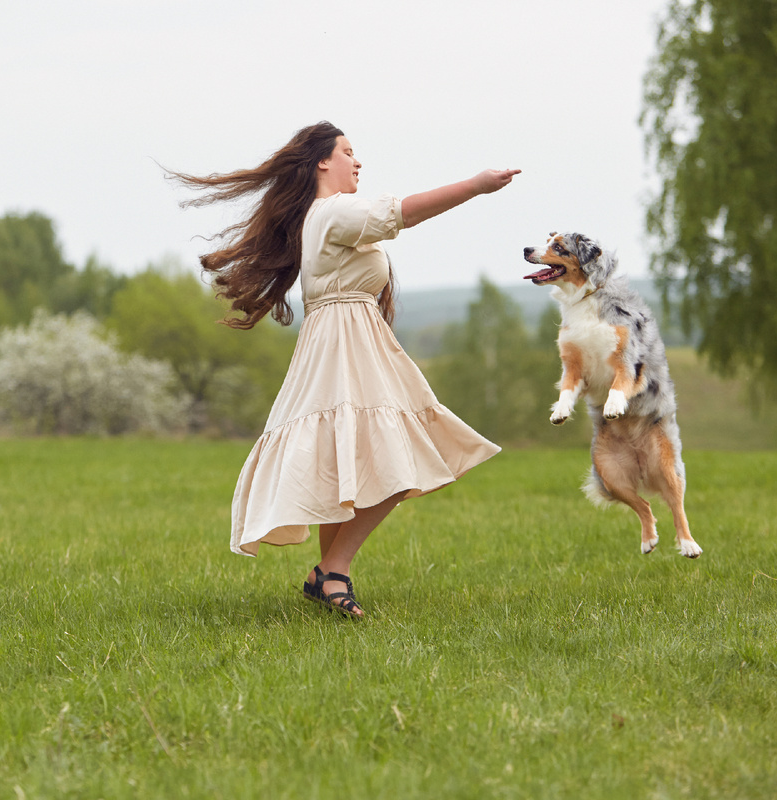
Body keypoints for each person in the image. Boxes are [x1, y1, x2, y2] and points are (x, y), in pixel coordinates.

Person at [170, 122, 519, 618]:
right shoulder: (332, 211)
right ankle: (331, 570)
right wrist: (476, 186)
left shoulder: (321, 216)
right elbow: (402, 213)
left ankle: (330, 575)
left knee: (353, 460)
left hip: (344, 339)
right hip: (344, 343)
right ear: (322, 163)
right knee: (398, 456)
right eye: (348, 153)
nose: (358, 162)